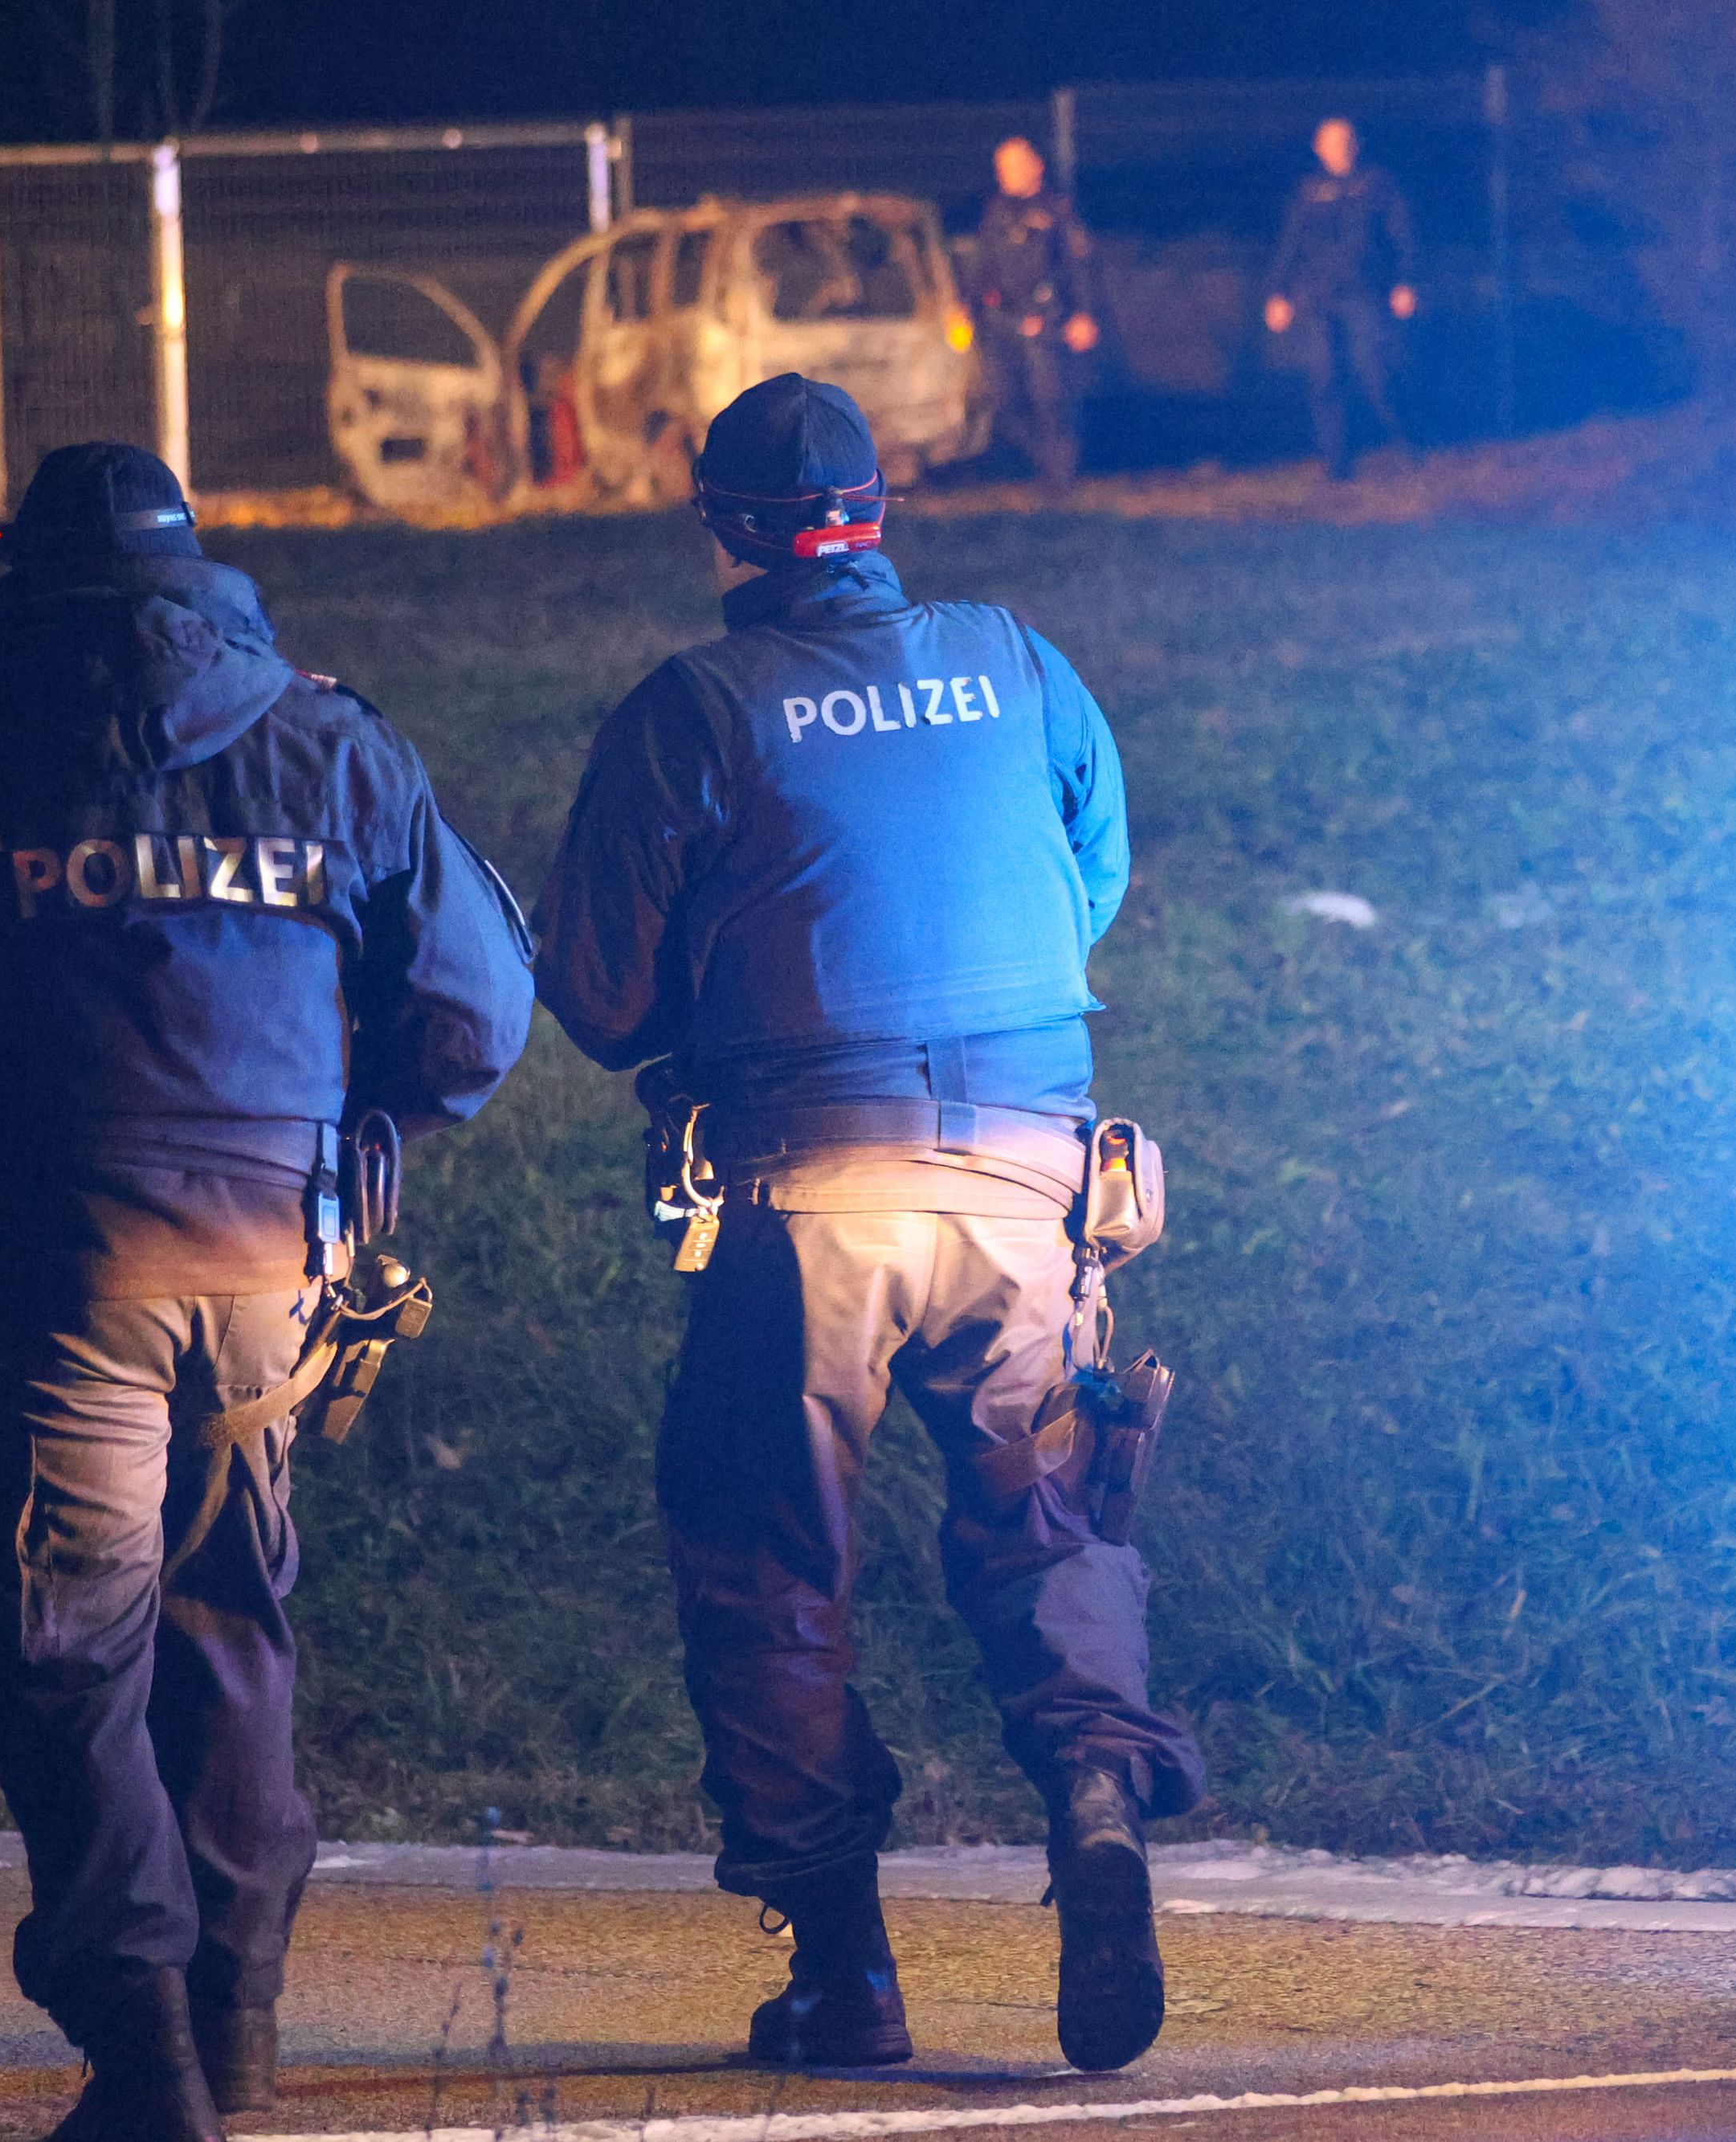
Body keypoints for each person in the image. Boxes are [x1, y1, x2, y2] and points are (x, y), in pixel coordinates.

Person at [0, 442, 533, 2142]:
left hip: (67, 1262)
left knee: (75, 1652)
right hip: (271, 1262)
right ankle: (233, 2025)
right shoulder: (330, 741)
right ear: (192, 567)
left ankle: (148, 2053)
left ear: (18, 569)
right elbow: (473, 1014)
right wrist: (357, 1128)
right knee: (230, 1624)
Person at [533, 374, 1203, 2077]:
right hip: (1027, 1175)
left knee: (768, 1561)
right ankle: (1097, 1796)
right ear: (880, 515)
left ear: (723, 535)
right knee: (1049, 1516)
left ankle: (844, 1969)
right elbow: (1089, 879)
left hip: (804, 1193)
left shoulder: (695, 707)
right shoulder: (1016, 657)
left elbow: (601, 999)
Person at [1263, 117, 1419, 481]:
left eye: (1344, 142)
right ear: (1318, 149)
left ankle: (1406, 439)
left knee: (1374, 370)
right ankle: (1336, 461)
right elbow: (1290, 244)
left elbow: (1402, 234)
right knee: (1324, 376)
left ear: (1356, 145)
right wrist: (1277, 293)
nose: (1338, 150)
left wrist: (1406, 281)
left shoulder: (1377, 185)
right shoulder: (1308, 191)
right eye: (1330, 144)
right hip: (1317, 296)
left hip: (1365, 293)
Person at [965, 136, 1100, 491]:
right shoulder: (996, 213)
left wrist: (1083, 314)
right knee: (1005, 402)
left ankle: (1061, 482)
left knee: (1051, 401)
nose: (1006, 175)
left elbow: (1079, 267)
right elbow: (982, 265)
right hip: (1003, 322)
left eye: (1013, 166)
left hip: (1049, 320)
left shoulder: (1058, 212)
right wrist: (966, 306)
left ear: (1036, 166)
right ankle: (1042, 466)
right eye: (1001, 168)